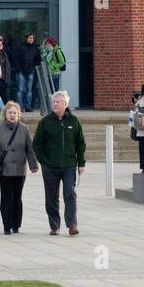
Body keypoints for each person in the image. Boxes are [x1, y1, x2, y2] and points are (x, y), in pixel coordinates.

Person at [33, 90, 86, 235]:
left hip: (69, 165)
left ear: (65, 104)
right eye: (53, 102)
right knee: (51, 197)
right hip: (50, 166)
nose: (55, 104)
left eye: (57, 102)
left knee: (70, 193)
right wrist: (43, 160)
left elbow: (80, 143)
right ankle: (54, 226)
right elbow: (37, 144)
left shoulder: (73, 121)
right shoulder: (45, 122)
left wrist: (81, 163)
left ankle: (72, 224)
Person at [0, 100, 39, 234]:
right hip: (5, 169)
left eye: (15, 113)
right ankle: (6, 225)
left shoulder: (24, 129)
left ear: (18, 114)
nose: (12, 115)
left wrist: (33, 165)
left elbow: (29, 148)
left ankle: (16, 224)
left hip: (20, 169)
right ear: (5, 114)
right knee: (6, 197)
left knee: (17, 197)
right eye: (10, 112)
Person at [12, 33, 42, 111]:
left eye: (32, 38)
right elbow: (15, 58)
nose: (31, 39)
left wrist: (34, 66)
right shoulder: (20, 47)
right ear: (26, 38)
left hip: (31, 71)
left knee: (29, 90)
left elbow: (38, 59)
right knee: (20, 89)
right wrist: (18, 68)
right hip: (21, 71)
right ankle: (19, 107)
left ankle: (28, 107)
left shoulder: (35, 48)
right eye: (30, 38)